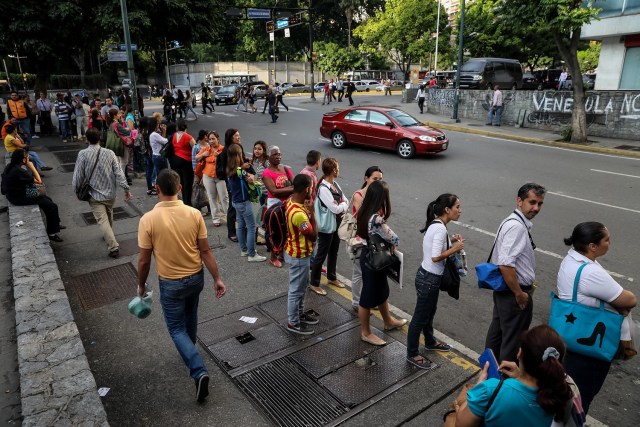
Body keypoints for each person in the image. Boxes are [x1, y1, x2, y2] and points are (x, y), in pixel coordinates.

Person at [136, 169, 227, 403]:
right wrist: (217, 278)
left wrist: (141, 285)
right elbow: (205, 251)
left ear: (156, 190)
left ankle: (198, 369)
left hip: (170, 283)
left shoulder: (148, 219)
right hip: (196, 278)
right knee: (191, 315)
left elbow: (144, 260)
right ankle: (190, 350)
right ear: (179, 188)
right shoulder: (194, 214)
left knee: (176, 328)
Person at [557, 222, 637, 414]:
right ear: (592, 246)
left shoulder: (571, 259)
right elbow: (630, 299)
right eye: (606, 240)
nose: (610, 243)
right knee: (581, 400)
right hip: (589, 349)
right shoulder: (590, 272)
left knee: (567, 396)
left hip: (570, 338)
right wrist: (622, 307)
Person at [451, 325, 576, 427]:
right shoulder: (562, 392)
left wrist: (479, 384)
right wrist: (520, 376)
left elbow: (461, 424)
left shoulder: (490, 389)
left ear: (519, 353)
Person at [485, 183, 545, 363]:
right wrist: (519, 293)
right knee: (512, 344)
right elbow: (505, 265)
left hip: (505, 291)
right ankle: (505, 384)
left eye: (540, 204)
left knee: (497, 334)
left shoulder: (513, 220)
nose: (536, 208)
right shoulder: (517, 227)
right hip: (513, 293)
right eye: (532, 202)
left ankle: (489, 374)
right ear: (519, 201)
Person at [406, 194, 464, 370]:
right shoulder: (439, 228)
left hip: (427, 277)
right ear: (447, 210)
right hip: (428, 280)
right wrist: (454, 248)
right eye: (457, 207)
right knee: (420, 317)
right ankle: (412, 353)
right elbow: (435, 256)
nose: (460, 211)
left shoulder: (437, 224)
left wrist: (450, 241)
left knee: (429, 313)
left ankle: (430, 341)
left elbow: (435, 246)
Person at [356, 180, 407, 345]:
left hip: (368, 255)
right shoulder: (376, 218)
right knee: (368, 296)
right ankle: (366, 332)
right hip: (374, 259)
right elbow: (394, 238)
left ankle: (388, 321)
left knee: (381, 290)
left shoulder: (364, 210)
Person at [72, 128, 132, 258]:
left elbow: (78, 176)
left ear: (87, 140)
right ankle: (108, 236)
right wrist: (126, 188)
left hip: (93, 194)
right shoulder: (109, 153)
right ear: (100, 139)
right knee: (108, 215)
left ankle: (113, 247)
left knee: (102, 220)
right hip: (110, 193)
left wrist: (76, 190)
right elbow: (119, 173)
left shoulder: (83, 154)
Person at [1, 149, 63, 242]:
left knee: (47, 199)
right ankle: (52, 233)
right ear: (23, 160)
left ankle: (55, 224)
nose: (28, 158)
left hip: (14, 195)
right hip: (19, 197)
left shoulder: (10, 166)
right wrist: (32, 166)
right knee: (51, 206)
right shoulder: (19, 171)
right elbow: (39, 181)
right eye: (27, 157)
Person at [284, 174, 319, 335]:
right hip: (299, 256)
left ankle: (299, 315)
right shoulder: (299, 214)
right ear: (306, 189)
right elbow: (313, 235)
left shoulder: (291, 201)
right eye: (311, 187)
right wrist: (312, 213)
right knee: (296, 290)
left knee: (301, 288)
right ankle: (293, 322)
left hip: (297, 253)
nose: (312, 190)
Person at [309, 158, 348, 295]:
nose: (338, 170)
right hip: (327, 226)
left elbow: (345, 199)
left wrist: (341, 205)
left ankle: (331, 277)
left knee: (334, 251)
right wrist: (342, 206)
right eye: (337, 168)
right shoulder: (323, 188)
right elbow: (335, 208)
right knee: (321, 254)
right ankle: (314, 283)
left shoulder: (334, 184)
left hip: (336, 224)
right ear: (332, 170)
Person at [349, 166, 383, 312]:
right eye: (375, 179)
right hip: (360, 240)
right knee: (359, 273)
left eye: (380, 179)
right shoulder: (359, 195)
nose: (378, 182)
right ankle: (357, 302)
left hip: (374, 241)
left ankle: (367, 300)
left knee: (370, 274)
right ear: (366, 179)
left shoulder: (378, 195)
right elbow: (365, 216)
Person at [226, 144, 266, 262]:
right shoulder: (240, 171)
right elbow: (251, 180)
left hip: (235, 201)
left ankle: (244, 250)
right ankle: (252, 254)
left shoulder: (230, 168)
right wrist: (245, 170)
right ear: (238, 155)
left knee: (241, 226)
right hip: (243, 202)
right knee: (251, 227)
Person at [262, 146, 294, 268]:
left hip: (286, 203)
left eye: (279, 154)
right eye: (275, 154)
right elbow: (274, 191)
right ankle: (273, 256)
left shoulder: (285, 168)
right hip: (275, 205)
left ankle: (281, 253)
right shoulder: (266, 173)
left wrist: (286, 189)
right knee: (275, 231)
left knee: (286, 230)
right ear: (269, 157)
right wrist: (290, 188)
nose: (278, 156)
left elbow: (295, 182)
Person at [198, 131, 227, 227]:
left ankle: (229, 217)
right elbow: (196, 158)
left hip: (220, 177)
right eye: (209, 139)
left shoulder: (223, 149)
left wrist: (220, 157)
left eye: (213, 138)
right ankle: (216, 219)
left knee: (224, 197)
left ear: (218, 139)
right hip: (208, 176)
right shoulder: (206, 149)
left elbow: (229, 160)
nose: (211, 141)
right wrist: (203, 155)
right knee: (212, 198)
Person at [169, 120, 196, 206]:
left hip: (176, 161)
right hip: (186, 161)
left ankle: (184, 201)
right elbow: (195, 149)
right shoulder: (188, 137)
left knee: (181, 183)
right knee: (188, 183)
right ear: (186, 128)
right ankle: (188, 203)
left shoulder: (174, 135)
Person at [105, 109, 133, 185]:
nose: (120, 115)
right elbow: (125, 132)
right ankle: (121, 179)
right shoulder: (116, 124)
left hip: (114, 145)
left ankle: (118, 178)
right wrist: (130, 130)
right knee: (124, 162)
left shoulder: (110, 123)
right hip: (120, 144)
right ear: (115, 115)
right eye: (118, 114)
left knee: (118, 162)